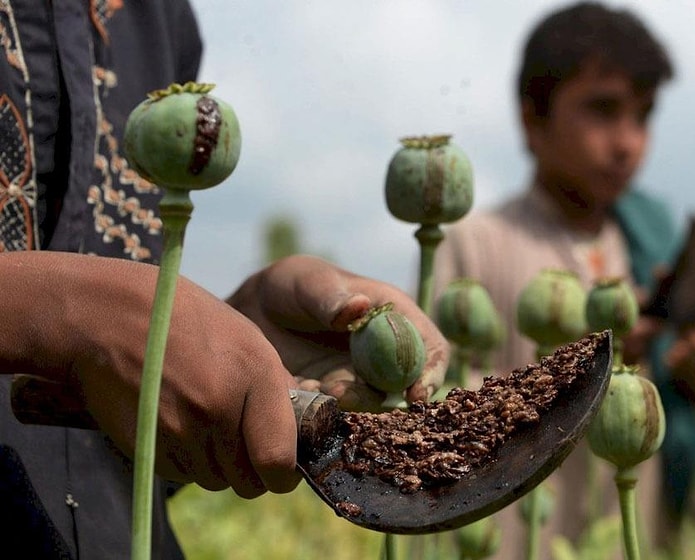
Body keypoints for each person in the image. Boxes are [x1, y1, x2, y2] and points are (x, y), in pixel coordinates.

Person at [0, 2, 447, 558]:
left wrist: (238, 333)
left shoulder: (160, 15)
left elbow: (130, 409)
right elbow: (101, 319)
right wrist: (69, 309)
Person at [434, 2, 695, 555]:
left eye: (642, 116)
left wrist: (688, 369)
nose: (627, 142)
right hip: (512, 537)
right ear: (532, 120)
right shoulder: (475, 243)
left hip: (630, 533)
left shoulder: (649, 244)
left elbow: (681, 403)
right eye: (603, 110)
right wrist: (581, 362)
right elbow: (445, 408)